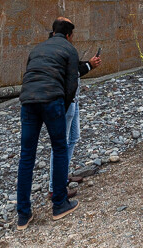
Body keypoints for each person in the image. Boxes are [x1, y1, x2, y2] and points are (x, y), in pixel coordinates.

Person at [16, 18, 85, 229]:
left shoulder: (37, 49)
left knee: (27, 155)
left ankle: (23, 215)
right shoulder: (69, 49)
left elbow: (29, 74)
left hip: (28, 101)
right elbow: (71, 84)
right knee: (59, 147)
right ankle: (59, 204)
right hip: (51, 100)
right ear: (68, 35)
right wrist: (61, 108)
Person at [49, 17, 101, 197]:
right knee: (60, 143)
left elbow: (72, 67)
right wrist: (89, 65)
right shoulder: (61, 48)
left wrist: (88, 64)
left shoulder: (57, 47)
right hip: (65, 101)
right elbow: (70, 72)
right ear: (69, 34)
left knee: (73, 138)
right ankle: (54, 187)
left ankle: (62, 177)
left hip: (73, 100)